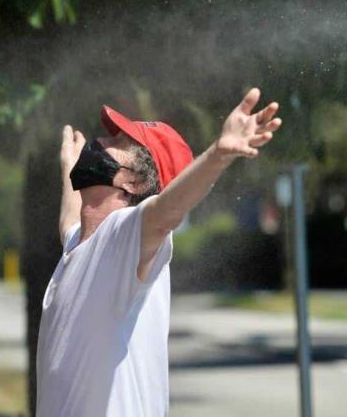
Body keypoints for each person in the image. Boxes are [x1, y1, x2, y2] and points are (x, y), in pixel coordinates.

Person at [36, 87, 282, 416]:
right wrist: (69, 165)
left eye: (119, 143)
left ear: (135, 183)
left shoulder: (123, 239)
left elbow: (166, 212)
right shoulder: (79, 243)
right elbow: (68, 218)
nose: (100, 142)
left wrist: (218, 156)